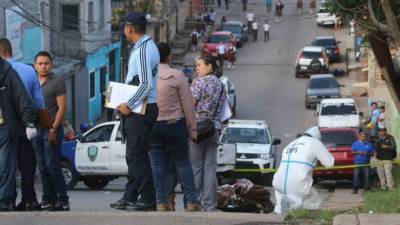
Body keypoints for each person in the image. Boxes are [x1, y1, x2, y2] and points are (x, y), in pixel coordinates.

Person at [111, 12, 160, 211]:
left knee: (137, 155)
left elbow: (146, 83)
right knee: (133, 155)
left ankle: (148, 198)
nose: (124, 30)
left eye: (124, 26)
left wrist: (128, 104)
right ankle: (130, 195)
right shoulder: (147, 46)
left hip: (141, 109)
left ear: (129, 27)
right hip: (143, 108)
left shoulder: (142, 50)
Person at [148, 43, 199, 212]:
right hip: (175, 124)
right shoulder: (177, 76)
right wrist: (192, 130)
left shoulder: (147, 76)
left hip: (153, 125)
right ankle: (191, 201)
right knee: (183, 163)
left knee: (157, 165)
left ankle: (161, 201)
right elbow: (188, 105)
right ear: (169, 57)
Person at [0, 38, 45, 211]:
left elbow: (22, 98)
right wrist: (34, 123)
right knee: (17, 165)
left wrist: (29, 122)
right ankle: (25, 199)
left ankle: (6, 200)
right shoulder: (27, 70)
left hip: (8, 126)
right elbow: (37, 101)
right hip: (21, 126)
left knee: (7, 165)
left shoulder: (7, 71)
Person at [33, 51, 69, 211]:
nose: (43, 66)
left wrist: (54, 128)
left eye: (46, 63)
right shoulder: (32, 82)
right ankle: (48, 199)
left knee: (53, 166)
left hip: (52, 129)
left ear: (51, 65)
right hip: (36, 130)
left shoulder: (57, 82)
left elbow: (62, 108)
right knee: (42, 168)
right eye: (40, 64)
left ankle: (63, 200)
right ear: (35, 66)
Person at [189, 56, 226, 211]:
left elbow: (190, 103)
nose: (196, 68)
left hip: (197, 129)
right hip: (213, 128)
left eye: (199, 65)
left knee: (196, 168)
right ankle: (210, 205)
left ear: (209, 66)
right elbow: (224, 108)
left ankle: (196, 202)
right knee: (210, 168)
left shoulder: (199, 82)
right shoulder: (220, 83)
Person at [272, 127, 334, 214]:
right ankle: (294, 205)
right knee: (315, 202)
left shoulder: (290, 144)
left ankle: (278, 214)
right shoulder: (315, 142)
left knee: (280, 204)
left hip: (278, 182)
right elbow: (330, 163)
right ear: (317, 138)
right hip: (297, 182)